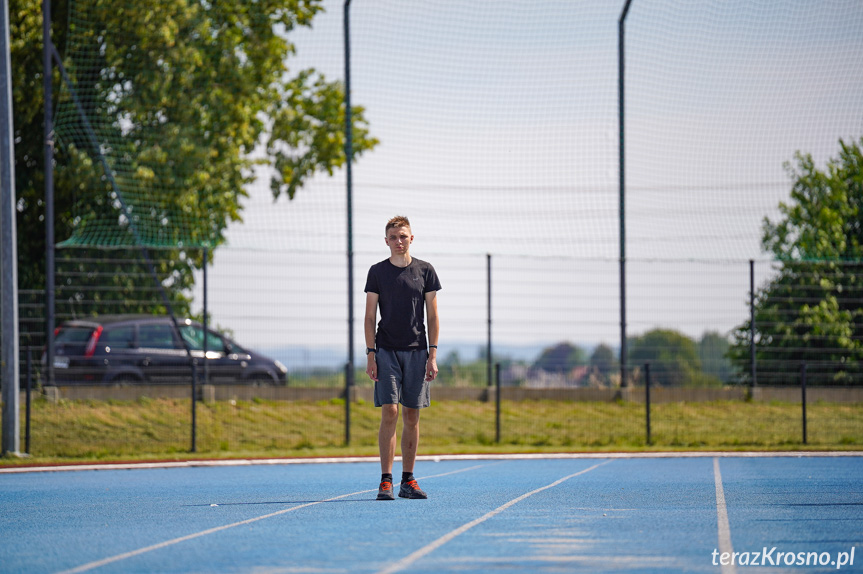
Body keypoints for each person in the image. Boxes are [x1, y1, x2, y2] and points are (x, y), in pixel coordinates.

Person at [364, 215, 441, 501]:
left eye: (403, 236)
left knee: (411, 414)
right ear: (386, 241)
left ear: (411, 238)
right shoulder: (377, 272)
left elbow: (432, 315)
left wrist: (432, 355)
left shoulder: (426, 270)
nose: (399, 241)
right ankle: (386, 480)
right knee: (390, 412)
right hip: (385, 351)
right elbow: (370, 316)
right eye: (393, 237)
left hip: (418, 351)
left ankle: (408, 480)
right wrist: (370, 354)